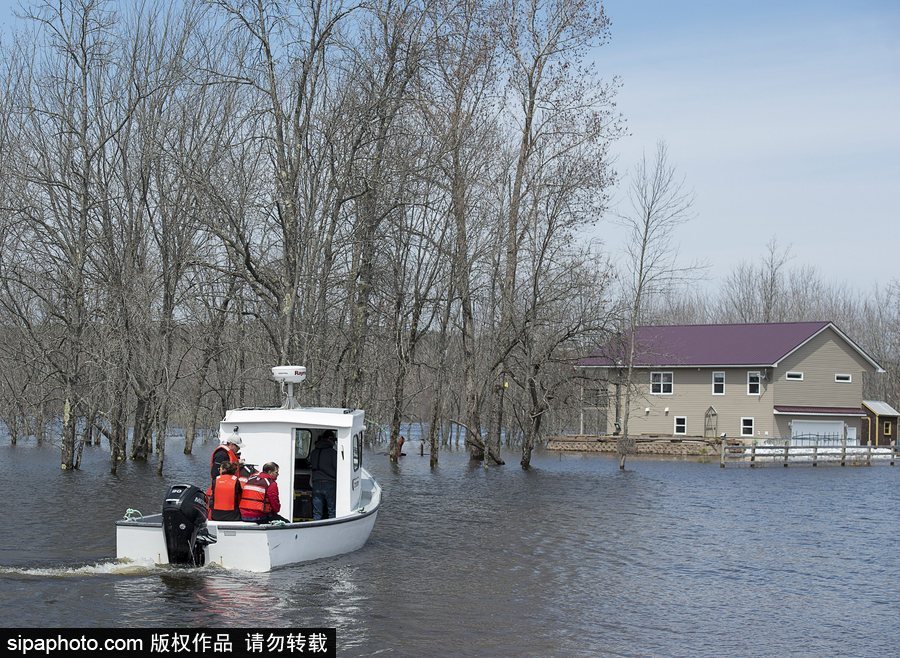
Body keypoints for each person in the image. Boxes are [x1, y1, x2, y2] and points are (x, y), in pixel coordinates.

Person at [310, 430, 337, 520]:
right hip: (330, 483)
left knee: (317, 513)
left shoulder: (314, 452)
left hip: (316, 483)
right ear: (330, 439)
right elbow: (337, 468)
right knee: (332, 511)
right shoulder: (333, 453)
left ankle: (315, 529)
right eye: (334, 440)